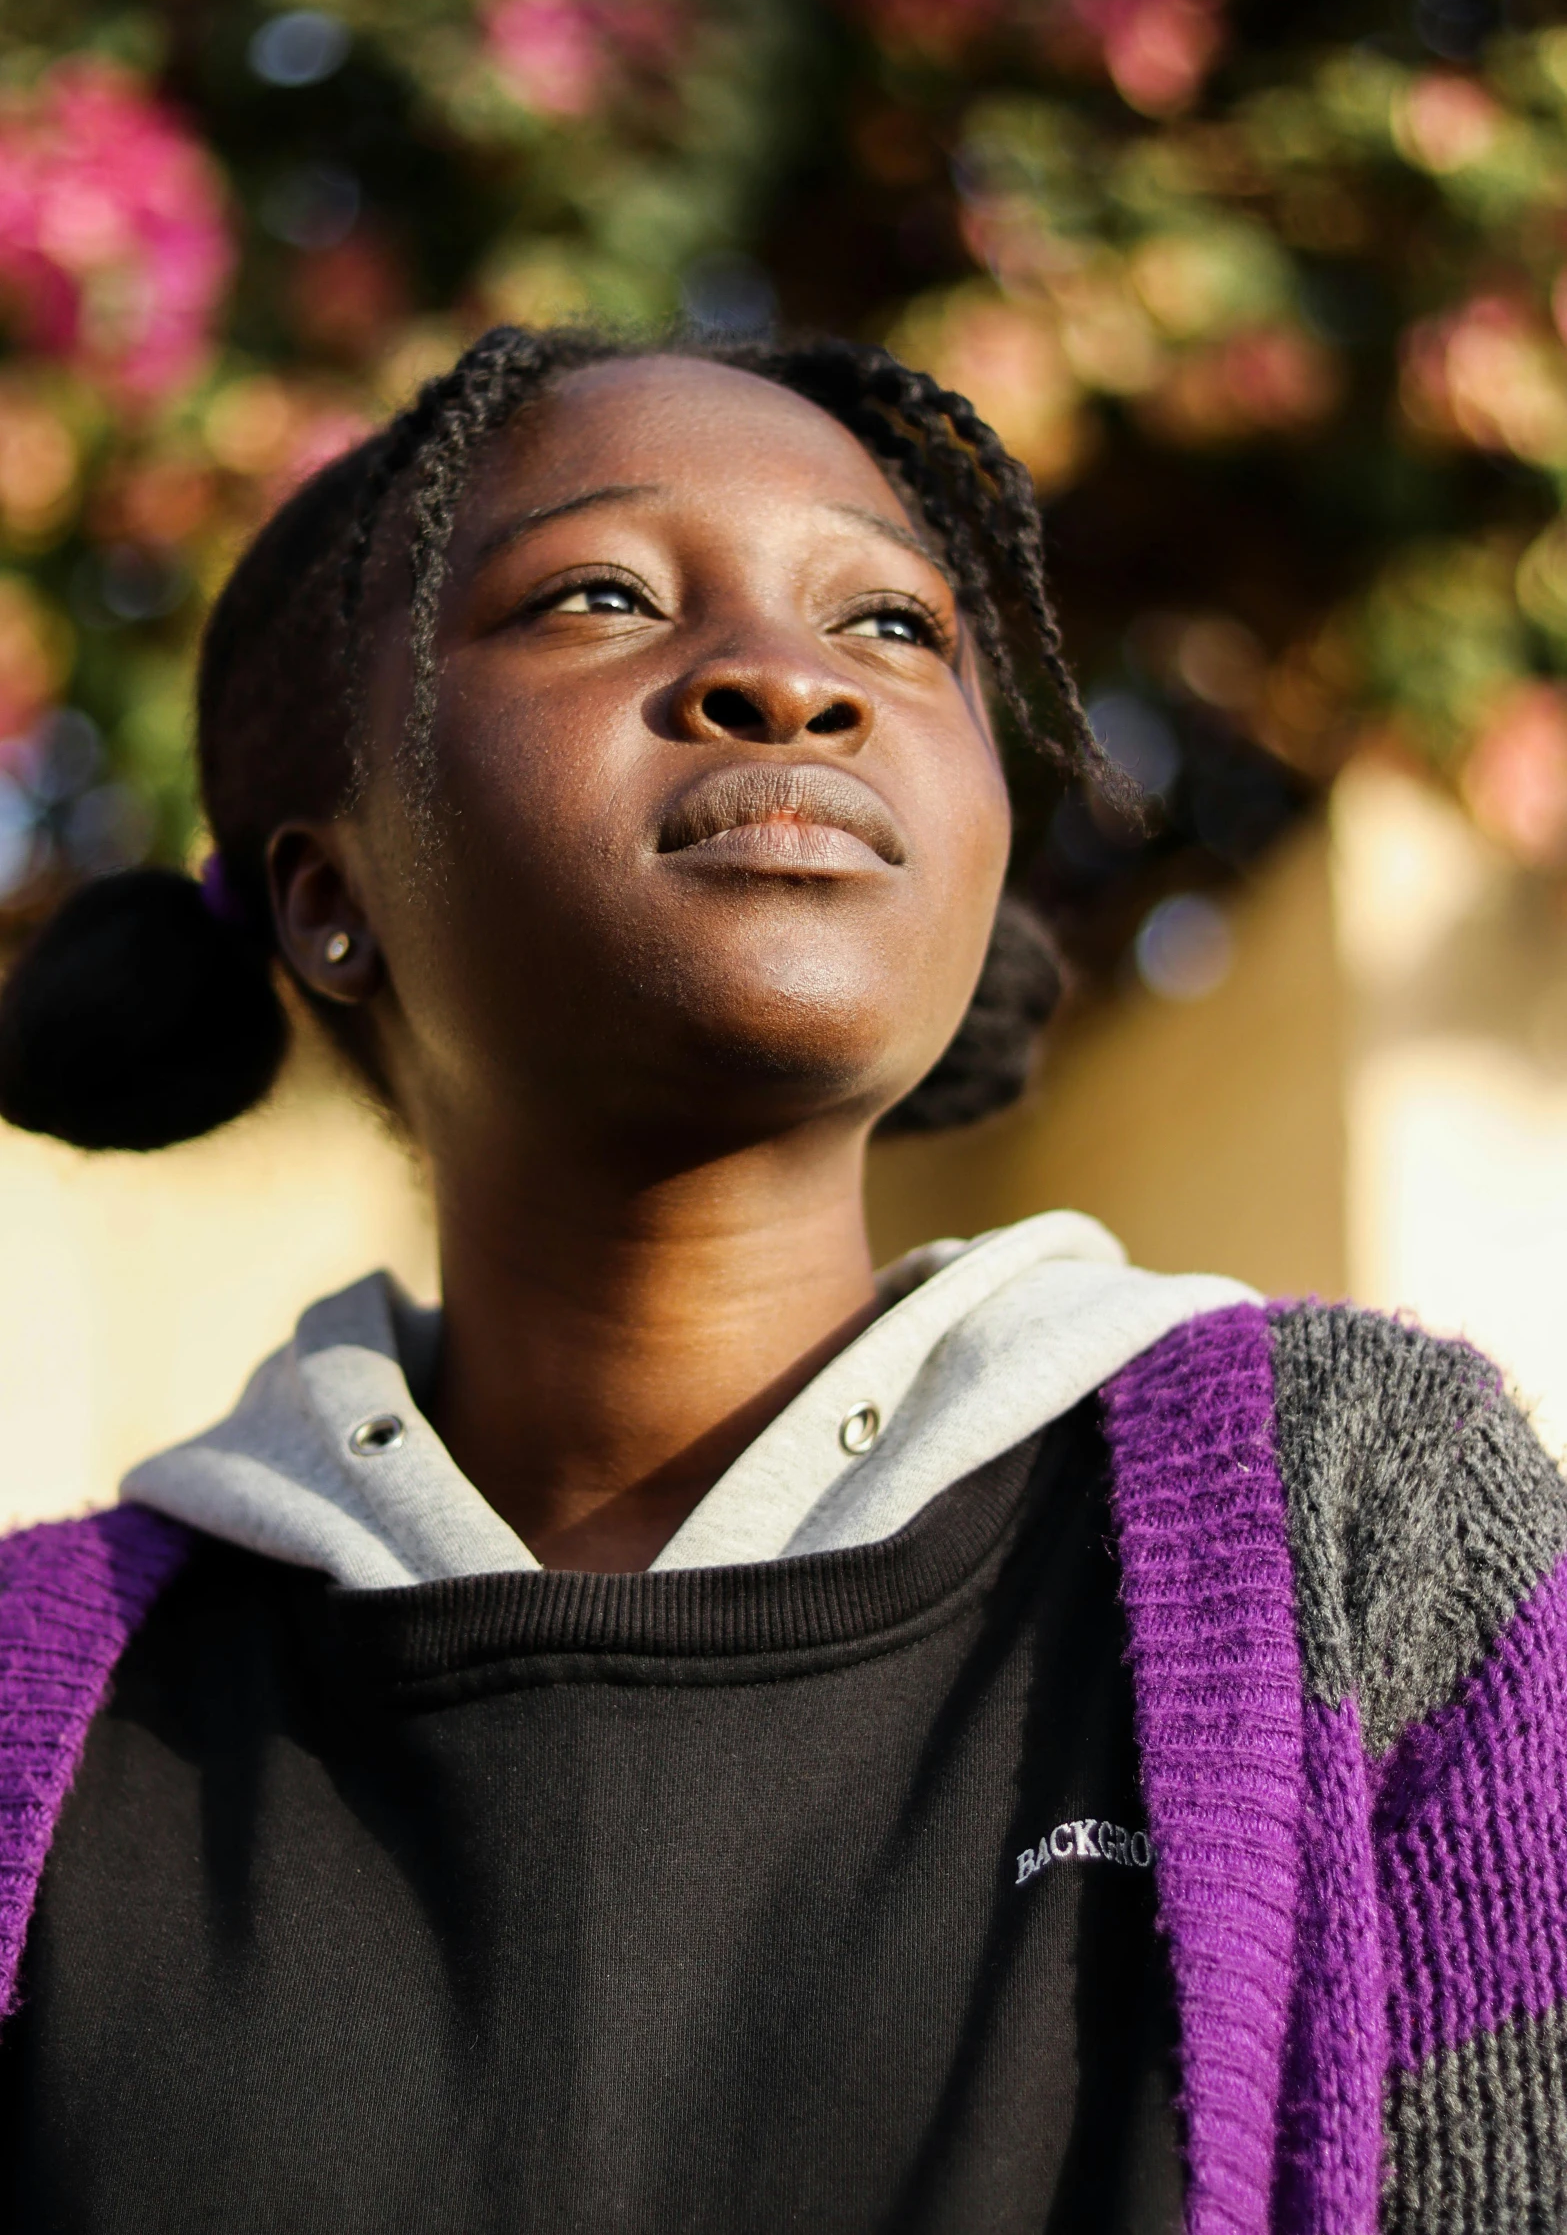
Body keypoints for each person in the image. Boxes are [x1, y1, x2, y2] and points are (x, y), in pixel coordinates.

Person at [0, 327, 1559, 2235]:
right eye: (599, 593)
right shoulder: (41, 1702)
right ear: (332, 892)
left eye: (895, 627)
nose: (788, 677)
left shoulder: (1361, 1519)